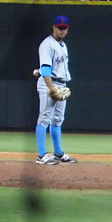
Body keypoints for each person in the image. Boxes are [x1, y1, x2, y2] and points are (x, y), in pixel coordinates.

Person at [34, 16, 78, 165]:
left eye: (64, 28)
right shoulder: (47, 44)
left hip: (61, 84)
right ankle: (41, 155)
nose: (62, 30)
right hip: (50, 85)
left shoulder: (63, 45)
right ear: (53, 27)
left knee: (58, 120)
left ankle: (58, 153)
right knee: (45, 118)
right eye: (59, 27)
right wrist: (51, 88)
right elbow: (46, 68)